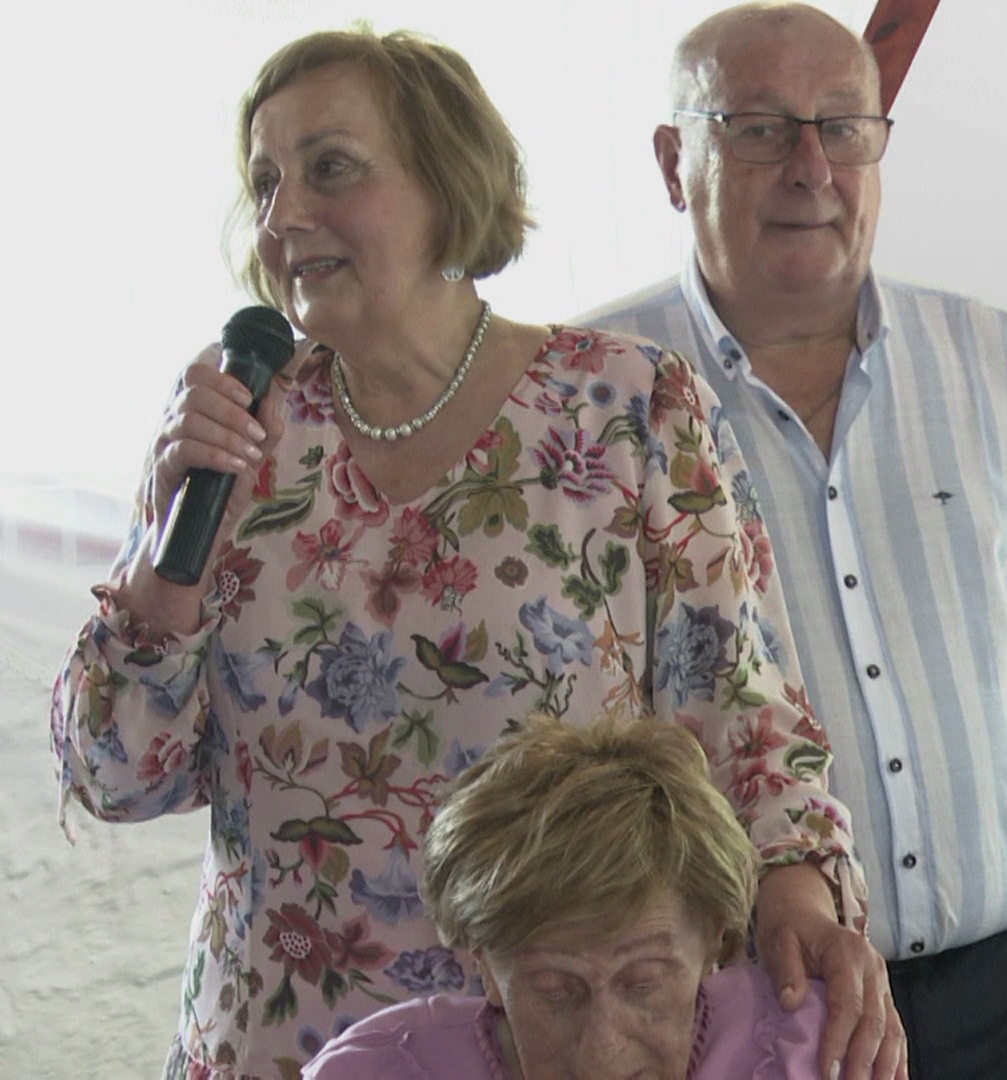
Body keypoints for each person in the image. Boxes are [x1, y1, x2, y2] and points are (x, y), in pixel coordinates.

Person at [49, 27, 900, 1080]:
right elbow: (113, 776)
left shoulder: (624, 406)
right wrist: (160, 564)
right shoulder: (238, 424)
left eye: (330, 169)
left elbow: (746, 720)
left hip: (566, 1047)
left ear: (447, 181)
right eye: (264, 184)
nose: (283, 216)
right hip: (272, 1048)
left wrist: (804, 903)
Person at [585, 4, 1007, 1077]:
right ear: (672, 161)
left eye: (844, 127)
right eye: (759, 128)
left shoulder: (1000, 365)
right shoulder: (591, 398)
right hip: (749, 1017)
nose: (811, 168)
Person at [304, 710, 829, 1079]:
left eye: (643, 983)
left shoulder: (813, 1052)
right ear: (483, 963)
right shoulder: (369, 1072)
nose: (602, 1055)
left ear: (714, 940)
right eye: (554, 990)